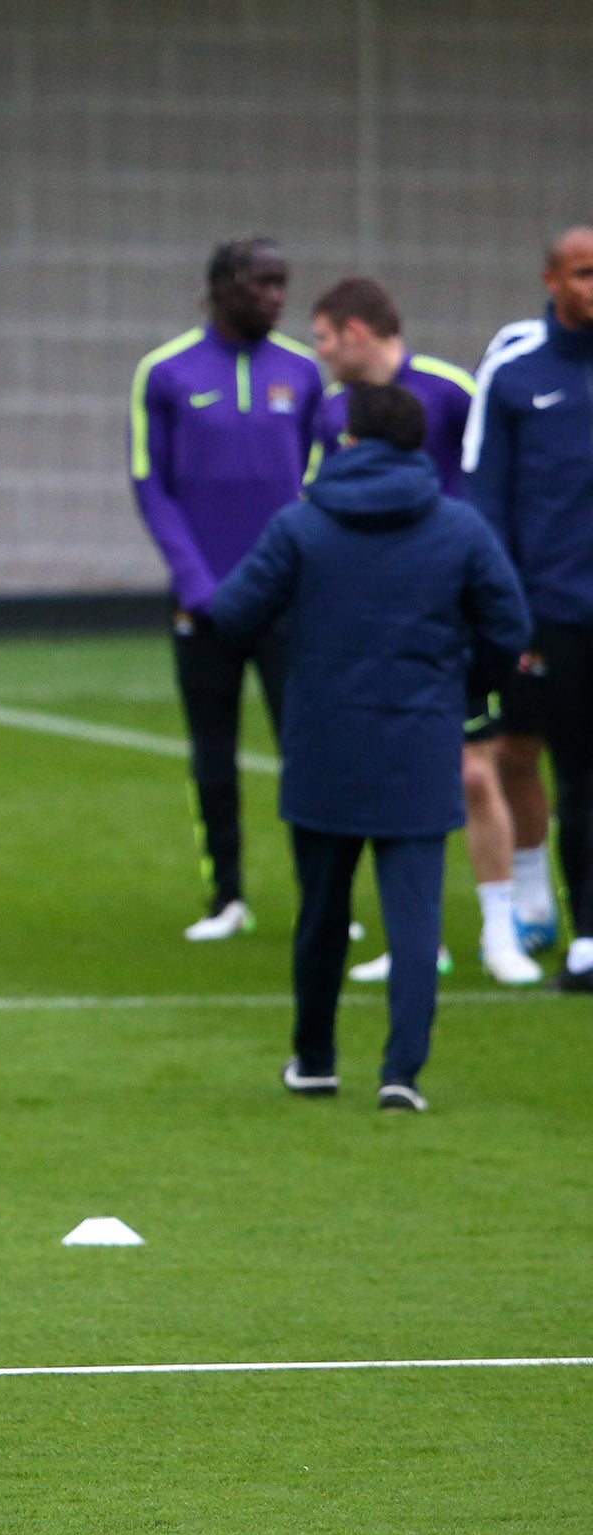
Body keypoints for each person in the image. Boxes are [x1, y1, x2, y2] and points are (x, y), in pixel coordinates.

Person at [212, 384, 529, 1111]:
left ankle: (315, 1060)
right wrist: (459, 681)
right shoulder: (459, 526)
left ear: (348, 441)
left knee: (322, 913)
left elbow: (232, 615)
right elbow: (508, 627)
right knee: (414, 915)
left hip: (324, 740)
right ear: (418, 446)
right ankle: (401, 1074)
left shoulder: (301, 525)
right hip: (419, 740)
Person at [307, 277, 541, 987]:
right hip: (376, 621)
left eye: (320, 338)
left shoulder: (449, 391)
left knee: (475, 772)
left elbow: (493, 479)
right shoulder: (329, 413)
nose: (316, 353)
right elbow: (317, 499)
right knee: (391, 779)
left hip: (452, 613)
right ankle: (418, 937)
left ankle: (503, 931)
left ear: (354, 331)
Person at [129, 237, 323, 941]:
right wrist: (195, 582)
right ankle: (227, 897)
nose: (276, 297)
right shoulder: (165, 372)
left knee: (304, 745)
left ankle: (319, 891)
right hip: (202, 601)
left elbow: (320, 483)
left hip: (288, 600)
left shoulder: (304, 372)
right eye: (262, 283)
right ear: (221, 287)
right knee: (212, 751)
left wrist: (295, 575)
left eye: (282, 283)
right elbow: (151, 483)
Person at [464, 226, 593, 990]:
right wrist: (503, 609)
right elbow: (485, 497)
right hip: (547, 610)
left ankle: (582, 932)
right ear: (551, 280)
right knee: (521, 752)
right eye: (584, 273)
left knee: (586, 775)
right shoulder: (515, 370)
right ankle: (537, 896)